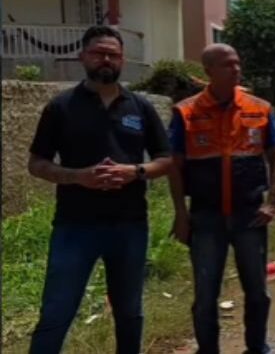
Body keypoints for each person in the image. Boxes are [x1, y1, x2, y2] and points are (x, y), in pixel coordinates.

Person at [27, 25, 173, 354]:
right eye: (98, 53)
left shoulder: (141, 108)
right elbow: (36, 163)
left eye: (113, 54)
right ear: (83, 56)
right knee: (56, 312)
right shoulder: (61, 106)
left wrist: (134, 172)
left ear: (122, 60)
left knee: (129, 313)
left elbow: (166, 160)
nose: (106, 59)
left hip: (130, 226)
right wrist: (78, 176)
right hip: (74, 227)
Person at [168, 44, 275, 354]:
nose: (235, 69)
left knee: (258, 292)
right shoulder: (186, 113)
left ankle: (257, 347)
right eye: (226, 65)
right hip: (206, 218)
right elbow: (175, 167)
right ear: (209, 71)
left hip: (250, 216)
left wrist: (271, 202)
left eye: (237, 63)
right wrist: (181, 214)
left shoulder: (260, 109)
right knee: (206, 294)